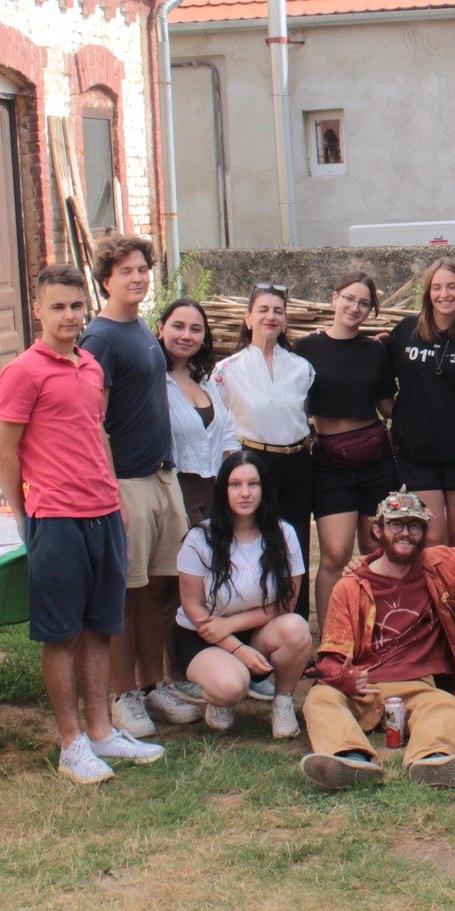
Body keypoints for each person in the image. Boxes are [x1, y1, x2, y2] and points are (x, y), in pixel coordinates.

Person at [0, 264, 163, 783]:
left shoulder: (89, 364)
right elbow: (4, 450)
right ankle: (71, 744)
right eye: (58, 307)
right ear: (38, 311)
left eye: (75, 306)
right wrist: (24, 514)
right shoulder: (23, 371)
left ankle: (102, 732)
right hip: (57, 518)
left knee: (100, 629)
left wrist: (115, 498)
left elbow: (97, 434)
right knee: (62, 635)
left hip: (103, 513)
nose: (69, 316)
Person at [79, 235, 201, 738]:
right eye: (126, 271)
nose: (137, 278)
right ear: (106, 279)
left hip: (161, 475)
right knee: (126, 595)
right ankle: (122, 694)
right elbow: (93, 421)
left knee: (161, 589)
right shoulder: (101, 338)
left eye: (143, 270)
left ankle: (154, 685)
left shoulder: (140, 330)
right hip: (126, 482)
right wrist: (108, 490)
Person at [301, 491, 455, 790]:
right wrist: (345, 678)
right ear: (378, 530)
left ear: (424, 532)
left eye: (414, 525)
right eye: (396, 524)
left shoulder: (437, 565)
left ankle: (433, 760)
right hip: (364, 686)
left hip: (417, 685)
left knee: (446, 705)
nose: (406, 532)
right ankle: (350, 758)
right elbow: (329, 657)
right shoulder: (350, 586)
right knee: (319, 699)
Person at [173, 450, 310, 736]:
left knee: (296, 627)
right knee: (230, 687)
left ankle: (283, 702)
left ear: (264, 489)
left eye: (253, 484)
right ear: (223, 490)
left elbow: (287, 603)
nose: (245, 493)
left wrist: (233, 625)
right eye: (235, 485)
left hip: (257, 631)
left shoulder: (284, 534)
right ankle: (220, 696)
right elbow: (193, 608)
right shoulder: (200, 538)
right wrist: (236, 648)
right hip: (204, 635)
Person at [296, 271, 399, 631]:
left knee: (377, 551)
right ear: (335, 298)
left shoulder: (376, 350)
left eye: (364, 303)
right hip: (329, 461)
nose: (355, 307)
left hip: (375, 458)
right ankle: (330, 641)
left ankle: (379, 635)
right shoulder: (305, 348)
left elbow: (386, 405)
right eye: (349, 299)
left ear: (370, 310)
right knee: (335, 555)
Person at [388, 257, 455, 547]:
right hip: (417, 456)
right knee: (432, 539)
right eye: (436, 287)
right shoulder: (405, 332)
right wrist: (400, 422)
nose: (444, 294)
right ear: (428, 293)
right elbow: (380, 379)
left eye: (452, 286)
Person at [211, 284, 315, 582]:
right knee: (255, 542)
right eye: (263, 310)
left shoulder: (302, 368)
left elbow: (304, 413)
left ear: (285, 320)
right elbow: (218, 426)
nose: (271, 316)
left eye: (278, 311)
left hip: (297, 463)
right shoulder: (226, 371)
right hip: (253, 462)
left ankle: (294, 608)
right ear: (248, 318)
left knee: (295, 544)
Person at [159, 297, 235, 526]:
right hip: (174, 495)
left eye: (195, 329)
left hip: (214, 496)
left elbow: (227, 434)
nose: (186, 336)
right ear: (161, 328)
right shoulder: (154, 380)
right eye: (178, 326)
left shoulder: (204, 380)